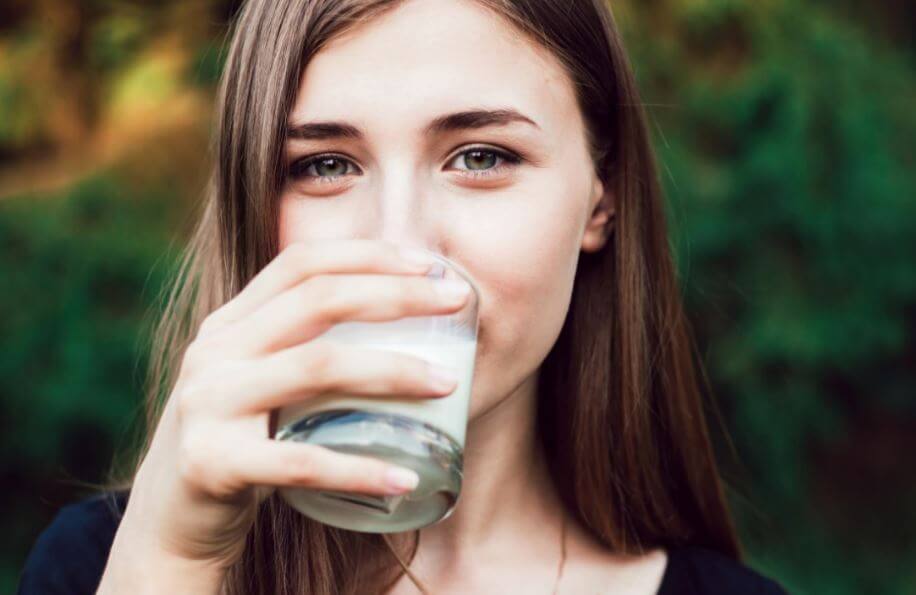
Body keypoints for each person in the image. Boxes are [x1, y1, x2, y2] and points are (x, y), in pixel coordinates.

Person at [19, 0, 788, 593]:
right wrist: (172, 563)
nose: (402, 246)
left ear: (600, 196)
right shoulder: (107, 565)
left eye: (481, 156)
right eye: (324, 165)